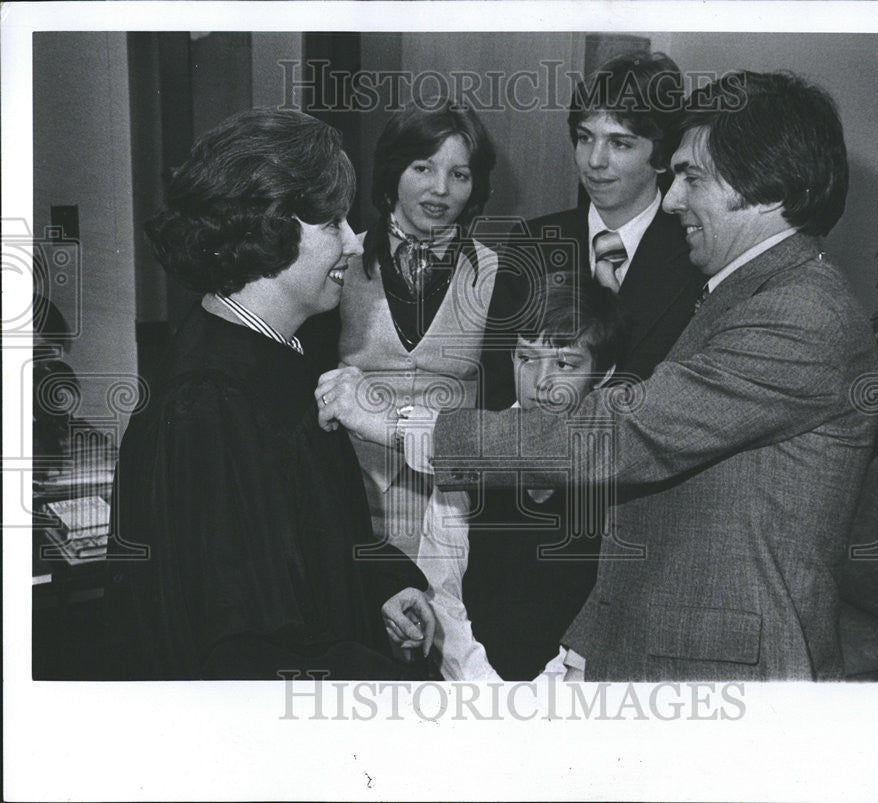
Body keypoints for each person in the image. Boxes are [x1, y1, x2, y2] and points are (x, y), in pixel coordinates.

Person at [429, 71, 878, 681]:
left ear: (767, 190)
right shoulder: (746, 292)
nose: (670, 199)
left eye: (693, 177)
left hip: (725, 670)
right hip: (658, 635)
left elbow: (623, 434)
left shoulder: (798, 312)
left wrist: (415, 429)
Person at [104, 108, 433, 680]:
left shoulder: (277, 351)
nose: (355, 244)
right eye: (333, 224)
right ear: (271, 226)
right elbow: (251, 652)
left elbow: (306, 535)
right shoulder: (209, 404)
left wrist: (381, 583)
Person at [317, 276, 626, 680]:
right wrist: (486, 690)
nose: (540, 381)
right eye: (526, 357)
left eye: (565, 363)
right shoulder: (467, 452)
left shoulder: (619, 470)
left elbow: (610, 606)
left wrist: (552, 693)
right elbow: (441, 592)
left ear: (602, 375)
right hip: (474, 692)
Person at [481, 51, 703, 410]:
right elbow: (495, 383)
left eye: (620, 143)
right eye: (585, 138)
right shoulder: (532, 242)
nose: (595, 161)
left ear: (662, 155)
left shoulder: (695, 251)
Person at [332, 100, 499, 559]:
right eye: (422, 167)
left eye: (459, 175)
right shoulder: (342, 259)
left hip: (449, 502)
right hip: (354, 489)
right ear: (393, 170)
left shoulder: (498, 272)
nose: (440, 190)